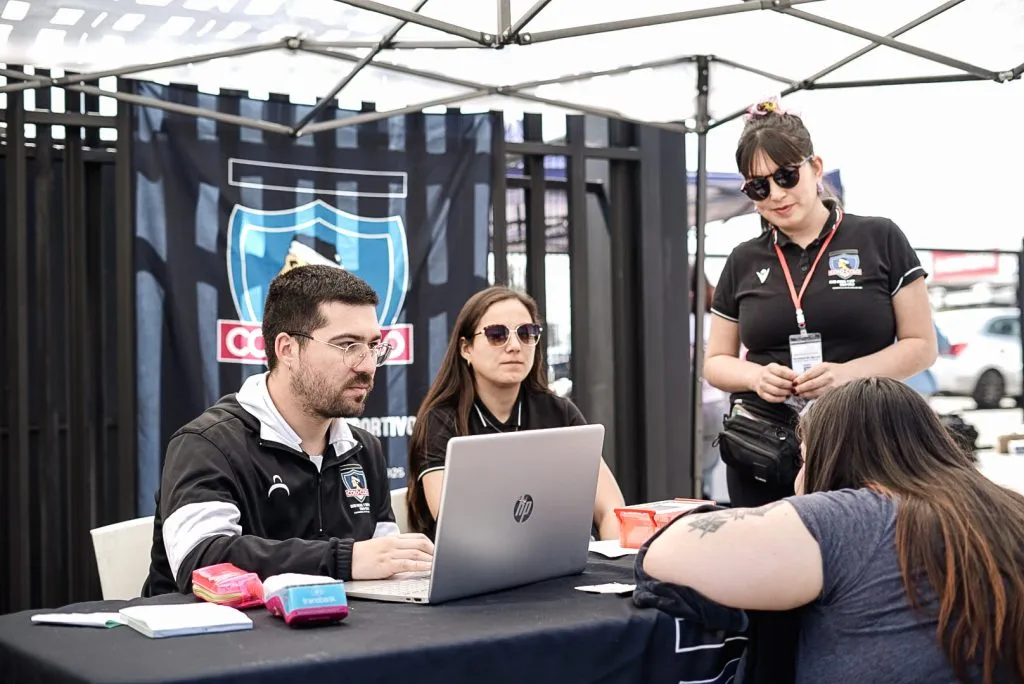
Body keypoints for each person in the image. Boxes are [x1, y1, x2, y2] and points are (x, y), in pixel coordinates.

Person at [642, 377, 1024, 683]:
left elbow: (666, 551)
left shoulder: (853, 516)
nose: (797, 480)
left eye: (804, 459)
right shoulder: (1009, 508)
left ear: (836, 457)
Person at [143, 265, 434, 596]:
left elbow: (384, 560)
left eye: (373, 346)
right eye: (348, 345)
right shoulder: (207, 443)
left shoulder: (362, 448)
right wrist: (344, 559)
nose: (367, 365)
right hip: (207, 641)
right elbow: (202, 561)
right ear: (287, 349)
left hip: (338, 639)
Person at [705, 97, 937, 508]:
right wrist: (756, 377)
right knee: (768, 564)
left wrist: (848, 374)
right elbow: (716, 361)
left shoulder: (879, 237)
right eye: (759, 186)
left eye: (786, 176)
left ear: (815, 168)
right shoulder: (743, 258)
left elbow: (921, 345)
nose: (776, 194)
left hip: (865, 440)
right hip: (766, 446)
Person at [405, 286, 626, 540]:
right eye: (497, 335)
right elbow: (453, 525)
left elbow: (611, 509)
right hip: (477, 571)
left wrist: (613, 565)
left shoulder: (559, 413)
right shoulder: (441, 421)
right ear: (466, 348)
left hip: (559, 567)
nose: (514, 346)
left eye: (526, 333)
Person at [690, 264, 729, 502]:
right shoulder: (714, 322)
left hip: (700, 402)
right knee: (706, 466)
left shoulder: (680, 323)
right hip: (713, 401)